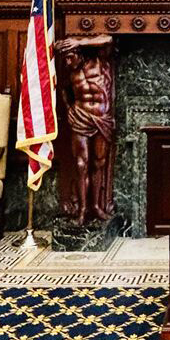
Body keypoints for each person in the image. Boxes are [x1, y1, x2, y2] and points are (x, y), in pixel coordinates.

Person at [58, 36, 115, 225]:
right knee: (82, 165)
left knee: (99, 162)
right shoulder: (70, 72)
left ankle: (97, 206)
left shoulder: (99, 61)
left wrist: (79, 42)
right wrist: (68, 109)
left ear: (79, 54)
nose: (68, 62)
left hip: (101, 118)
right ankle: (82, 210)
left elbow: (109, 38)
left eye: (70, 56)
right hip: (80, 118)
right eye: (65, 58)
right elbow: (64, 91)